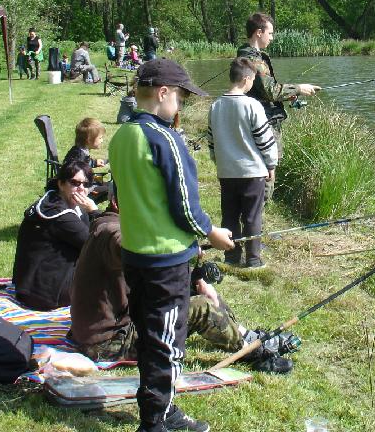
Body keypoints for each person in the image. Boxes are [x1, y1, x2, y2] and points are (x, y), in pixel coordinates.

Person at [108, 58, 234, 432]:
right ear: (163, 93)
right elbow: (186, 207)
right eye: (179, 97)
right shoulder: (166, 139)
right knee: (167, 343)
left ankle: (161, 411)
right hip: (165, 261)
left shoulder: (122, 136)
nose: (179, 106)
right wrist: (212, 233)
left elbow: (121, 197)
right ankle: (154, 422)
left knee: (151, 337)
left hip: (135, 255)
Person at [69, 182, 296, 373]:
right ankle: (255, 351)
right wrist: (184, 252)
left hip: (105, 329)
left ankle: (248, 336)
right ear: (117, 203)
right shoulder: (113, 233)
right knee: (201, 308)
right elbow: (145, 257)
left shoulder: (109, 223)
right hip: (108, 344)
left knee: (197, 290)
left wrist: (195, 279)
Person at [237, 13, 320, 199]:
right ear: (259, 32)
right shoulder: (253, 59)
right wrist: (299, 88)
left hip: (255, 120)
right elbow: (271, 91)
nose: (272, 38)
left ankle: (253, 211)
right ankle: (258, 212)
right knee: (267, 173)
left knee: (260, 171)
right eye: (270, 33)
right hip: (264, 123)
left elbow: (264, 91)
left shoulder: (248, 55)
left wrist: (289, 95)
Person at [208, 57, 278, 269]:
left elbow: (212, 142)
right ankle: (253, 259)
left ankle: (231, 256)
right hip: (252, 173)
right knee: (252, 217)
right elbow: (265, 139)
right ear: (246, 79)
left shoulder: (215, 105)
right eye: (253, 80)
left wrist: (219, 162)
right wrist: (271, 164)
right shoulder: (252, 105)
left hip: (226, 172)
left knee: (229, 215)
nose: (252, 84)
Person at [13, 160, 101, 311]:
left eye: (86, 184)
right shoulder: (60, 215)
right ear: (61, 184)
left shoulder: (53, 201)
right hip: (46, 294)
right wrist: (95, 212)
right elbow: (98, 244)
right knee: (111, 262)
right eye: (75, 183)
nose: (81, 189)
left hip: (29, 287)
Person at [63, 117, 108, 202]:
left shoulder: (79, 150)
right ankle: (88, 205)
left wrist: (94, 162)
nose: (102, 140)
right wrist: (93, 182)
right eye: (100, 138)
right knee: (110, 187)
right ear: (89, 140)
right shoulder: (79, 156)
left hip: (85, 180)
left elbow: (85, 163)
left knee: (103, 181)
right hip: (80, 186)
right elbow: (76, 177)